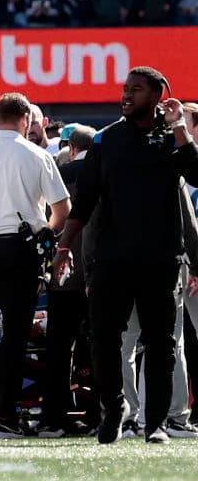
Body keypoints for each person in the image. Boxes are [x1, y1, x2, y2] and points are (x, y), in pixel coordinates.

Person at [53, 66, 198, 444]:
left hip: (161, 258)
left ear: (157, 94)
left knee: (161, 343)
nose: (127, 95)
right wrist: (65, 245)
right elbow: (85, 200)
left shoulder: (172, 138)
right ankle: (113, 408)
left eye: (136, 89)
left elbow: (196, 173)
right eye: (125, 88)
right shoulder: (106, 140)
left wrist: (180, 125)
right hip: (111, 257)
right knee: (103, 338)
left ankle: (155, 424)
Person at [0, 93, 70, 438]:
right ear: (26, 120)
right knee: (14, 333)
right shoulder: (36, 155)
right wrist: (47, 232)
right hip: (21, 248)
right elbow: (63, 209)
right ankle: (5, 414)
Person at [37, 125, 97, 439]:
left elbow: (54, 220)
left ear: (71, 148)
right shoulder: (104, 171)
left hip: (63, 273)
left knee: (58, 349)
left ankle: (52, 418)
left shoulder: (61, 173)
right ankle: (100, 414)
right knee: (104, 345)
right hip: (97, 271)